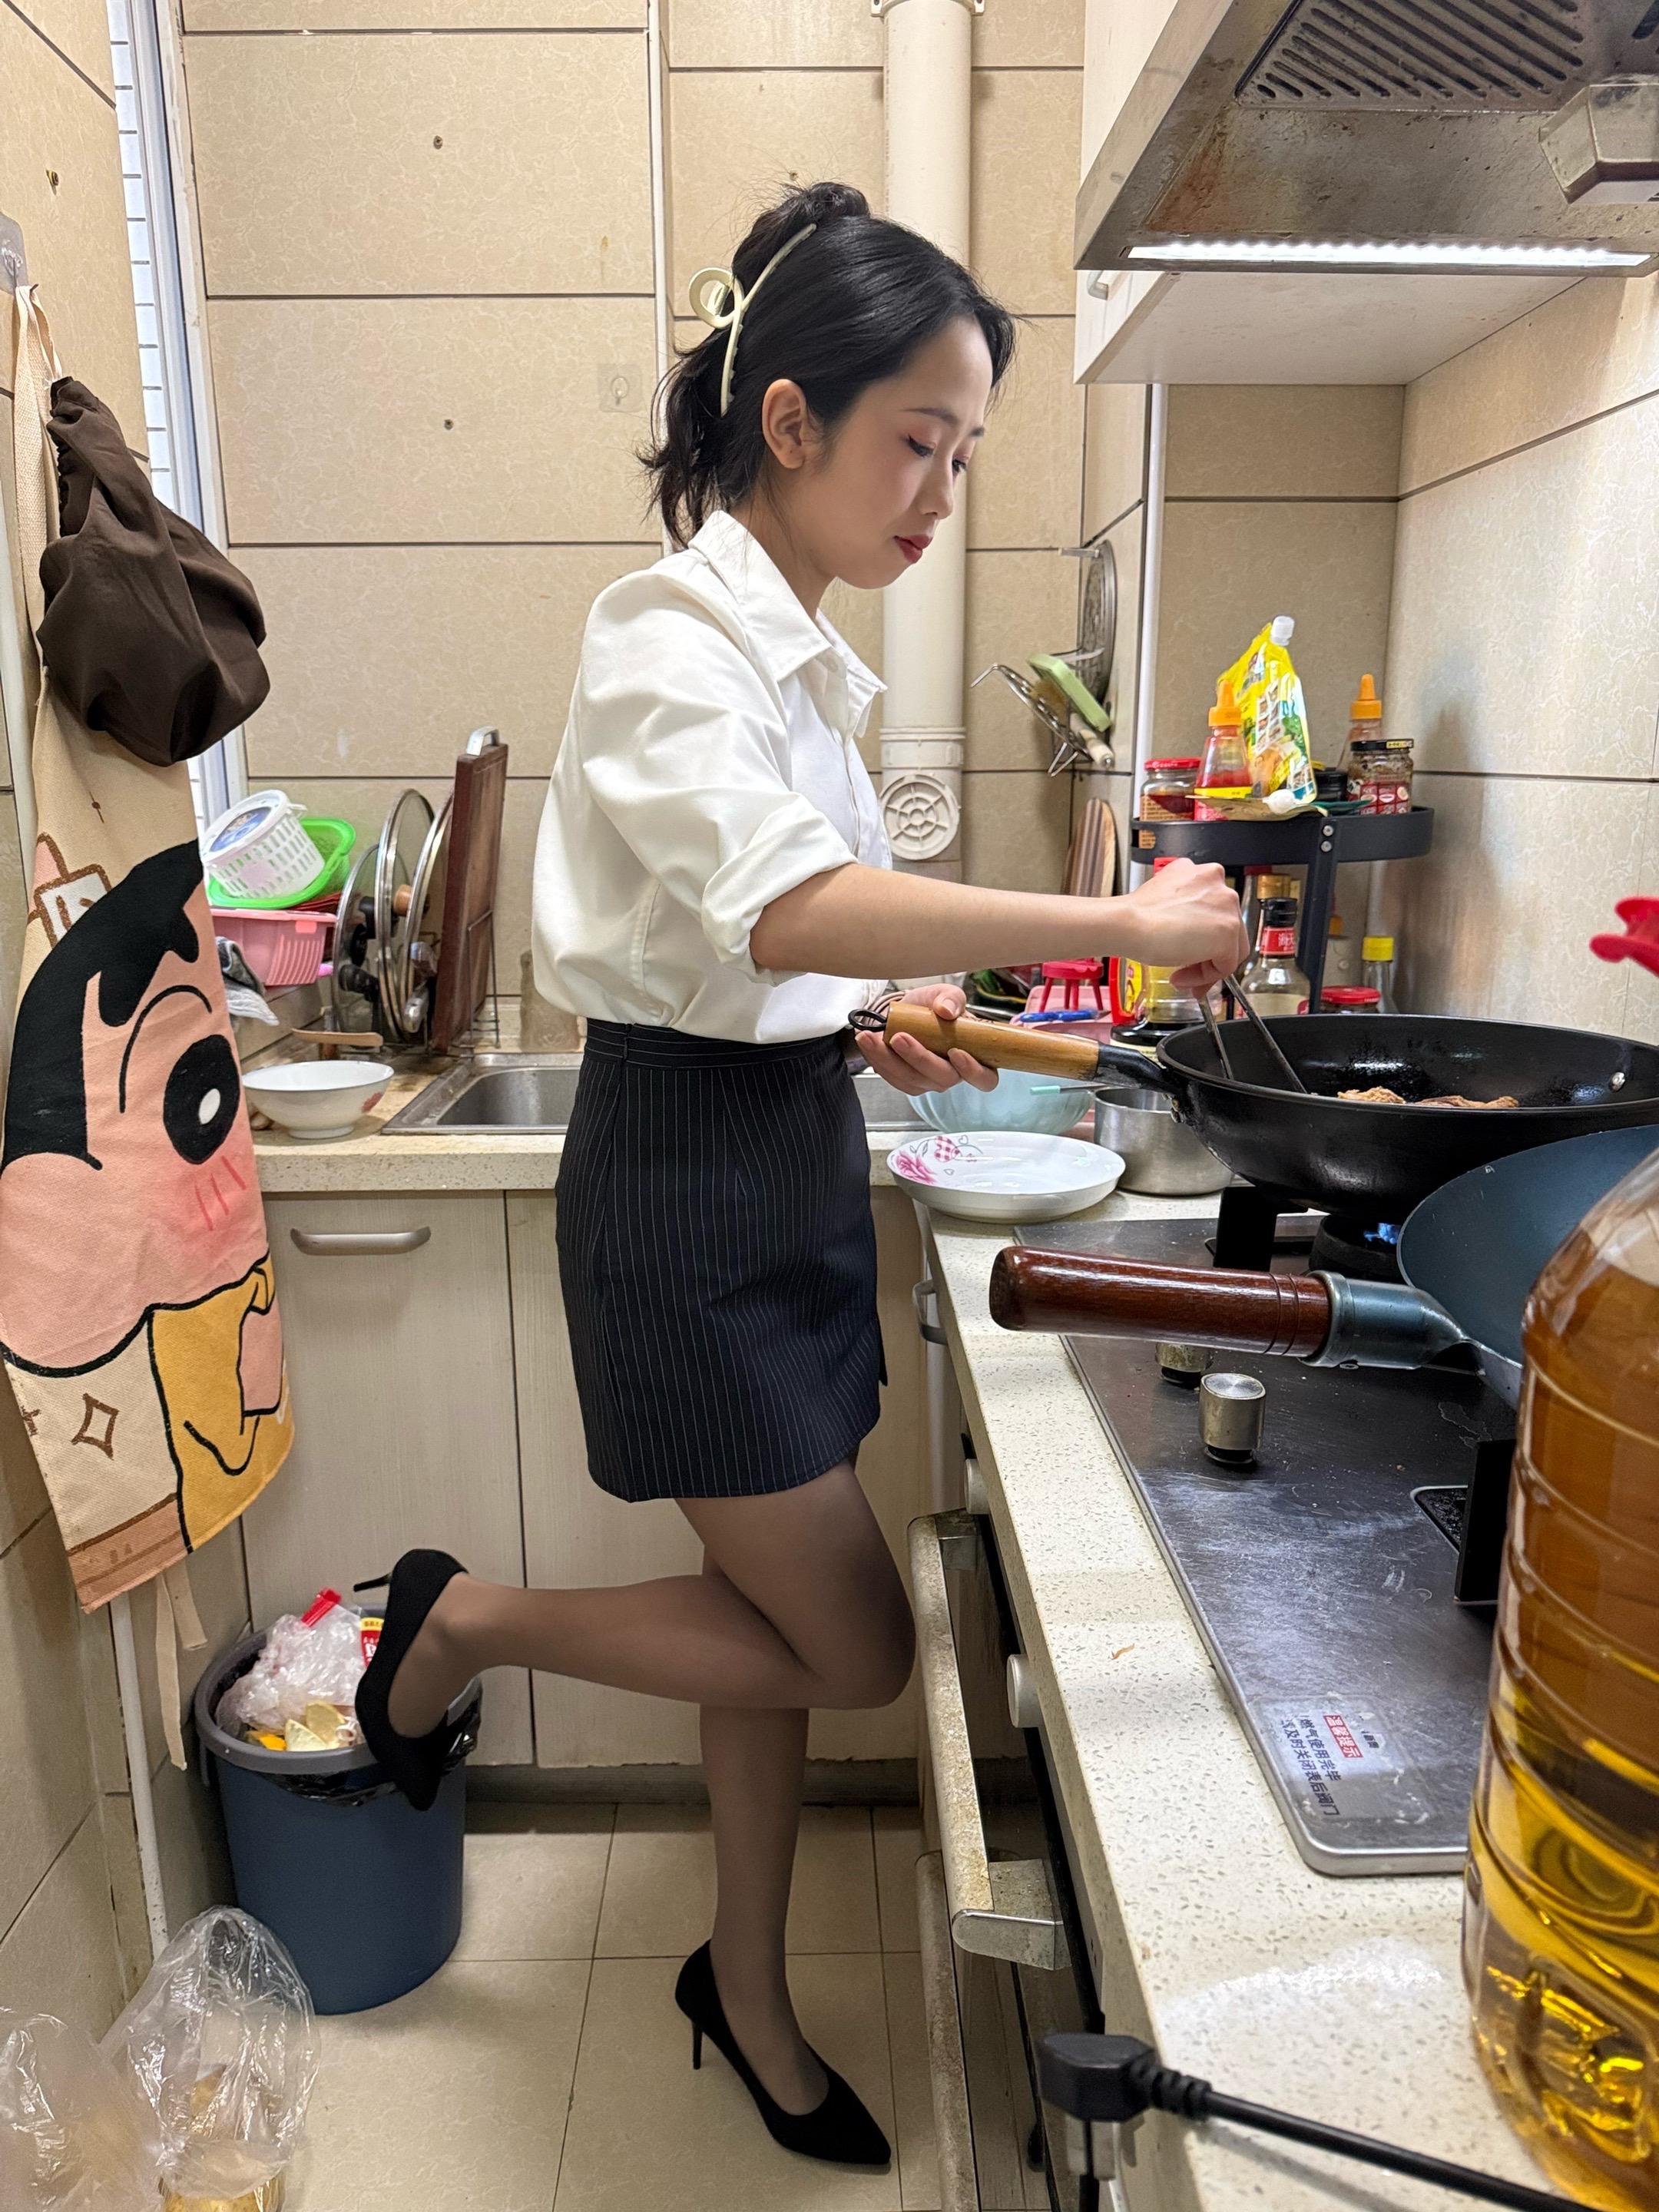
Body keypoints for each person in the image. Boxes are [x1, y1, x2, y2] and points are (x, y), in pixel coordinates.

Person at [353, 180, 1245, 2170]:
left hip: (780, 1158)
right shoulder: (666, 634)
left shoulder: (804, 664)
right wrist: (1128, 924)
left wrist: (864, 1024)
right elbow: (783, 907)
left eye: (964, 452)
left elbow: (780, 950)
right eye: (917, 439)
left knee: (763, 1632)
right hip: (681, 1196)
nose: (939, 490)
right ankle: (465, 1621)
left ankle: (741, 1987)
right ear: (790, 418)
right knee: (852, 1647)